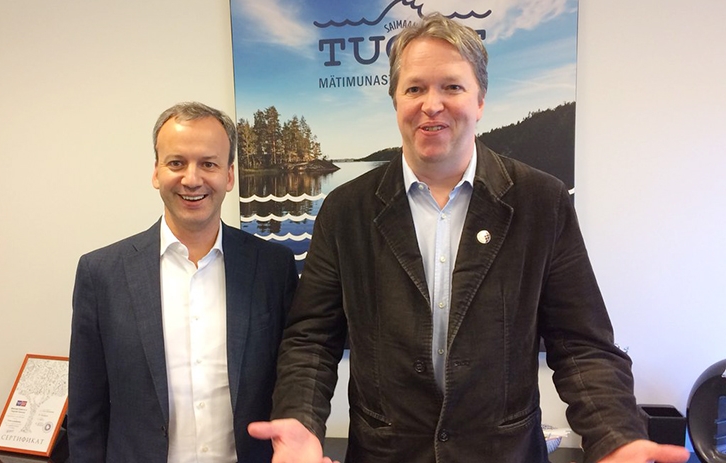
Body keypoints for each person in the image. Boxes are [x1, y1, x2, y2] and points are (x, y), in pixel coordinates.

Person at [248, 13, 690, 463]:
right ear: (395, 100)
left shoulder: (541, 200)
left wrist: (614, 436)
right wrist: (300, 420)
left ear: (480, 100)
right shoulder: (346, 209)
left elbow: (581, 344)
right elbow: (312, 340)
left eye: (452, 87)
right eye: (415, 88)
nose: (431, 104)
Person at [68, 101, 299, 462]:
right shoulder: (101, 274)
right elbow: (86, 412)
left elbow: (293, 378)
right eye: (176, 163)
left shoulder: (273, 267)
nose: (192, 179)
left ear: (229, 176)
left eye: (208, 164)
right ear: (156, 172)